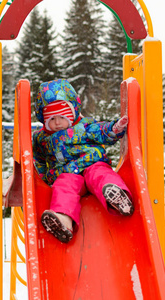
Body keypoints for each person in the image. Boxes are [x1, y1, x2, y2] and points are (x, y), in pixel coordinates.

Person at [32, 79, 134, 243]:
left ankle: (117, 196)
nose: (57, 122)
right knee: (63, 187)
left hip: (91, 163)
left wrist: (114, 129)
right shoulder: (42, 139)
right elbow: (39, 160)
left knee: (100, 174)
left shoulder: (83, 126)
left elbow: (101, 130)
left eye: (61, 116)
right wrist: (43, 180)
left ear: (72, 114)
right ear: (43, 119)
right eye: (51, 119)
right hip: (68, 175)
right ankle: (64, 220)